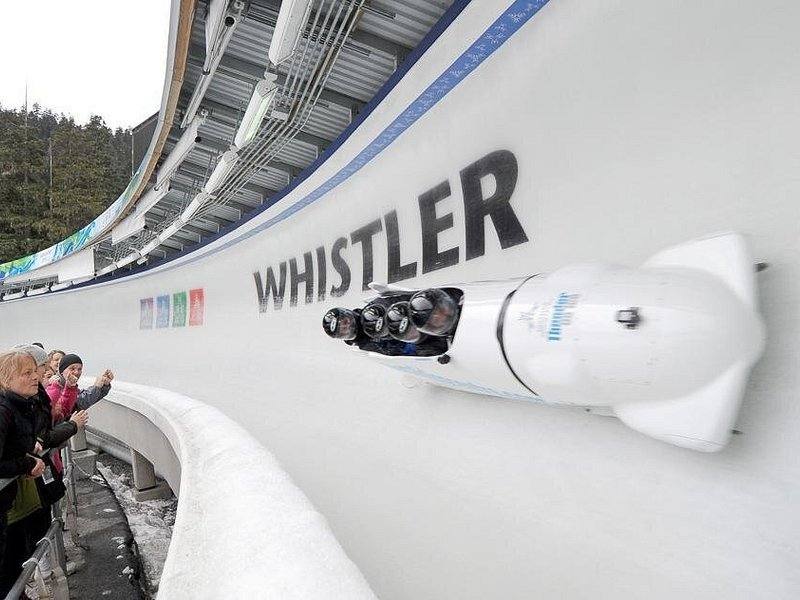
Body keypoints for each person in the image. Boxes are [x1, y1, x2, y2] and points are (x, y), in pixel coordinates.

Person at [0, 351, 46, 595]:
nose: (35, 377)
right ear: (7, 379)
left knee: (12, 562)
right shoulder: (4, 409)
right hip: (5, 503)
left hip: (8, 501)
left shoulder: (18, 405)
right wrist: (26, 465)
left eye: (34, 371)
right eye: (26, 373)